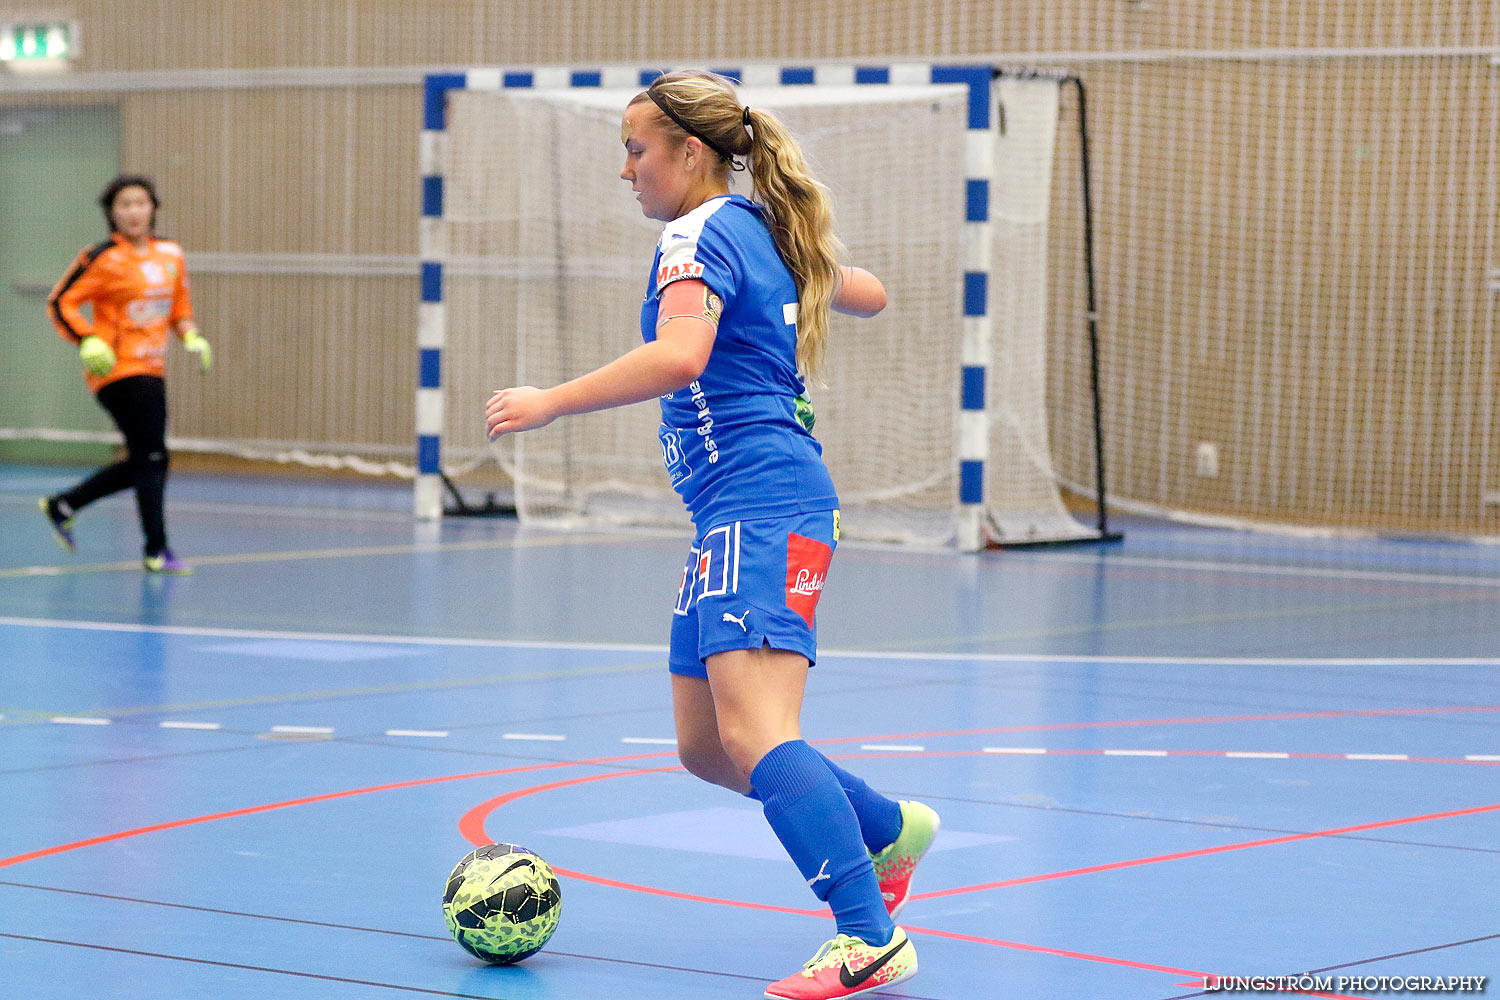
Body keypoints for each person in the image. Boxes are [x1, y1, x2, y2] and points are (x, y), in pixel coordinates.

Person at [486, 71, 940, 1000]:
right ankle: (887, 827)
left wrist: (550, 402)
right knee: (703, 745)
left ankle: (867, 934)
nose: (626, 170)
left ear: (691, 153)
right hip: (733, 514)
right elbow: (872, 293)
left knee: (760, 733)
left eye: (636, 148)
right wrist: (804, 263)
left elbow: (682, 355)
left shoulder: (695, 234)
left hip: (762, 504)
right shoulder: (760, 228)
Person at [40, 174, 211, 575]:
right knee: (152, 455)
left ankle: (64, 505)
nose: (133, 212)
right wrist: (86, 339)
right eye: (123, 205)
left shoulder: (171, 253)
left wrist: (192, 338)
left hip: (153, 367)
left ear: (153, 207)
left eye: (140, 203)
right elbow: (61, 302)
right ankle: (156, 550)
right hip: (116, 369)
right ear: (111, 213)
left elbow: (179, 308)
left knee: (149, 458)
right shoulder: (101, 257)